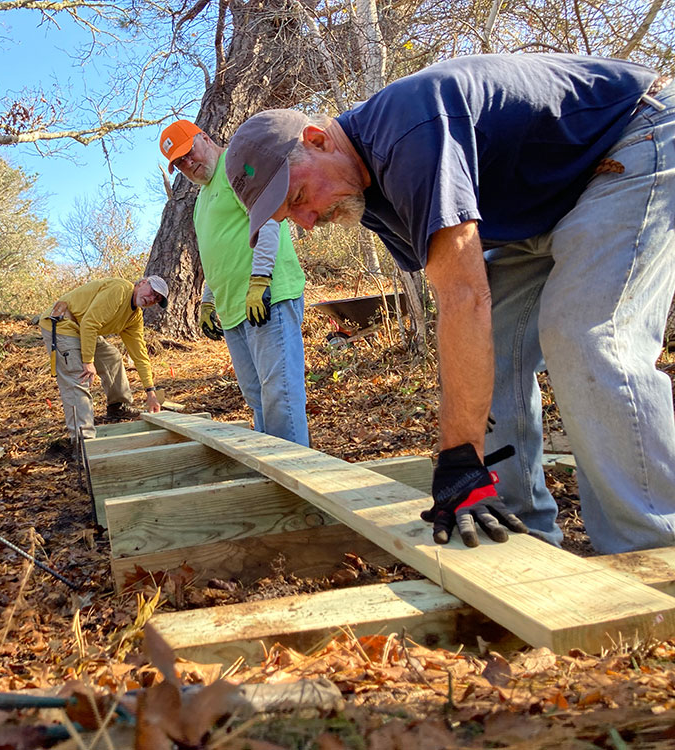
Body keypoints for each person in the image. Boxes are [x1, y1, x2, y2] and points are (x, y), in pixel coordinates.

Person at [224, 53, 675, 554]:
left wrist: (459, 454)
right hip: (550, 202)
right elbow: (465, 303)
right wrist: (467, 461)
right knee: (494, 348)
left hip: (635, 134)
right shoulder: (365, 192)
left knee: (586, 333)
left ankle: (655, 553)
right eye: (290, 217)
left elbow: (465, 296)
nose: (306, 222)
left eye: (300, 196)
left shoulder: (407, 135)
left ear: (317, 139)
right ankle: (515, 530)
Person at [159, 119, 309, 446]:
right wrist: (207, 300)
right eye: (179, 163)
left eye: (189, 153)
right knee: (257, 399)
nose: (188, 164)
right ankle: (273, 474)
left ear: (205, 137)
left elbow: (270, 219)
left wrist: (260, 280)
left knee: (280, 396)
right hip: (234, 310)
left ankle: (297, 475)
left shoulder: (236, 167)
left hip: (266, 298)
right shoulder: (200, 201)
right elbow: (215, 254)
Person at [39, 276, 167, 444]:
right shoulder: (120, 290)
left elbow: (139, 354)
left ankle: (117, 406)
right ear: (143, 283)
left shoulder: (134, 317)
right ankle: (83, 440)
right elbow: (90, 323)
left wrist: (151, 392)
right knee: (78, 376)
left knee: (111, 358)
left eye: (156, 299)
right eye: (152, 292)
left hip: (83, 327)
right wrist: (88, 361)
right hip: (63, 324)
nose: (151, 299)